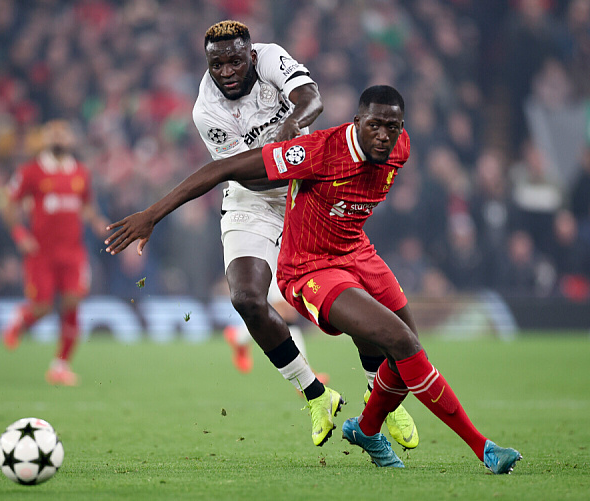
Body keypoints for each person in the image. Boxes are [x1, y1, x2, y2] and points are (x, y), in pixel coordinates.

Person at [105, 85, 521, 474]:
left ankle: (366, 430)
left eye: (392, 127)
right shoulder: (318, 151)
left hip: (359, 253)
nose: (383, 135)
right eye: (374, 125)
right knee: (403, 344)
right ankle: (483, 448)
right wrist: (152, 214)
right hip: (310, 267)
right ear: (356, 121)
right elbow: (225, 168)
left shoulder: (401, 150)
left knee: (407, 354)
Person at [194, 20, 417, 449]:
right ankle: (316, 396)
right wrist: (277, 160)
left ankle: (379, 392)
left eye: (235, 60)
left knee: (347, 291)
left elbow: (312, 99)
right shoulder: (206, 111)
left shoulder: (273, 56)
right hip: (252, 196)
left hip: (309, 185)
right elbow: (245, 174)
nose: (226, 70)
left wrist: (290, 130)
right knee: (245, 299)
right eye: (216, 63)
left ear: (251, 55)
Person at [0, 120, 108, 386]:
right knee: (43, 308)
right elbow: (7, 205)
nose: (59, 137)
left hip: (73, 252)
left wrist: (97, 221)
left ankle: (60, 366)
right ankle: (21, 318)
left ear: (71, 139)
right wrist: (20, 235)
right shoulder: (30, 172)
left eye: (63, 133)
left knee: (73, 303)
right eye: (53, 133)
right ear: (45, 139)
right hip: (41, 253)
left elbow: (86, 204)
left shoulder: (81, 172)